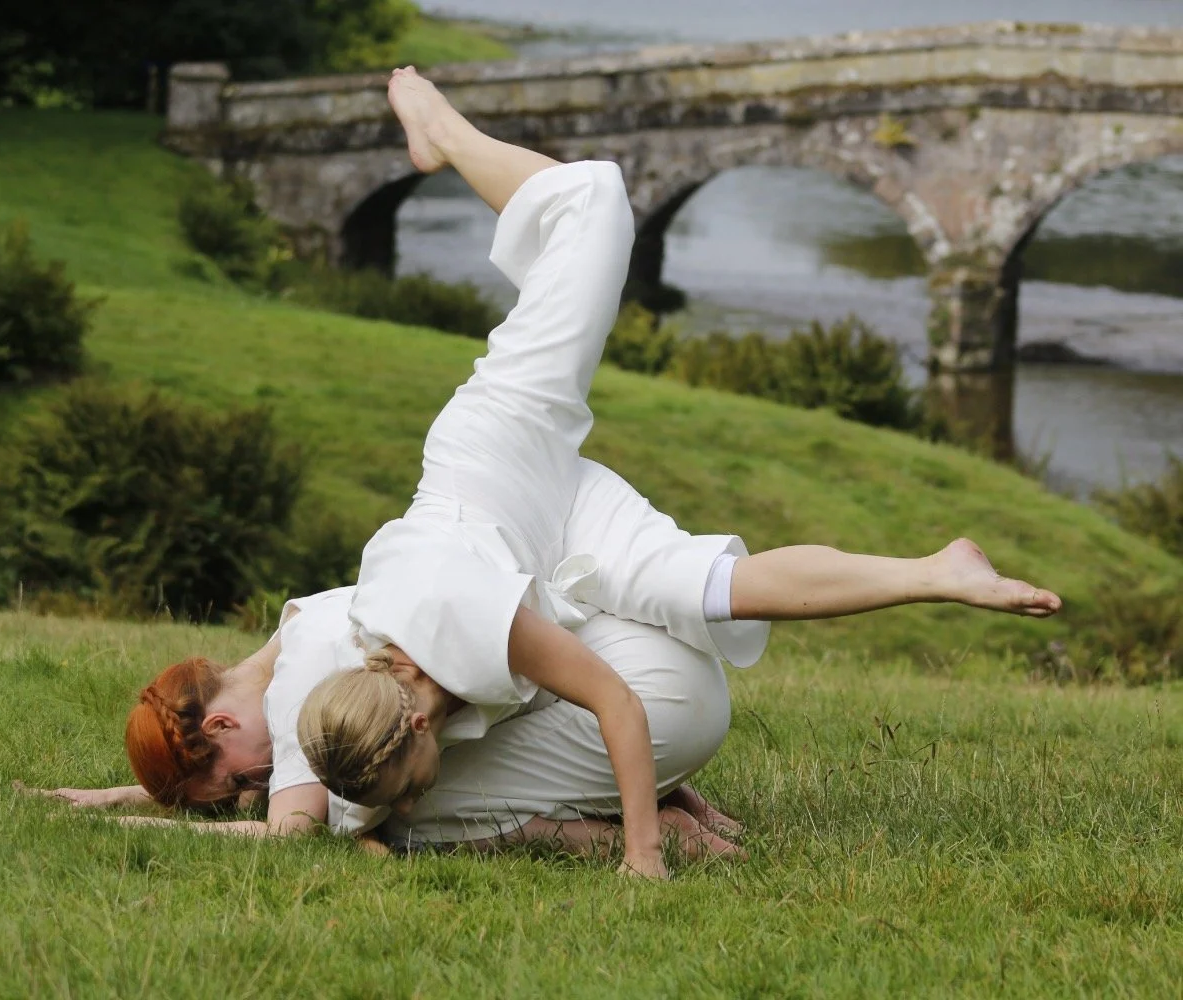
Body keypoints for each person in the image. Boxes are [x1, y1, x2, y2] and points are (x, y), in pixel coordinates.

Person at [94, 68, 1059, 874]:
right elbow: (327, 811)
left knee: (595, 199)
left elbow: (606, 700)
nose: (252, 791)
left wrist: (641, 851)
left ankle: (444, 133)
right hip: (545, 539)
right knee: (710, 587)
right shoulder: (372, 702)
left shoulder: (443, 639)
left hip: (499, 454)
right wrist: (106, 799)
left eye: (227, 781)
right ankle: (939, 570)